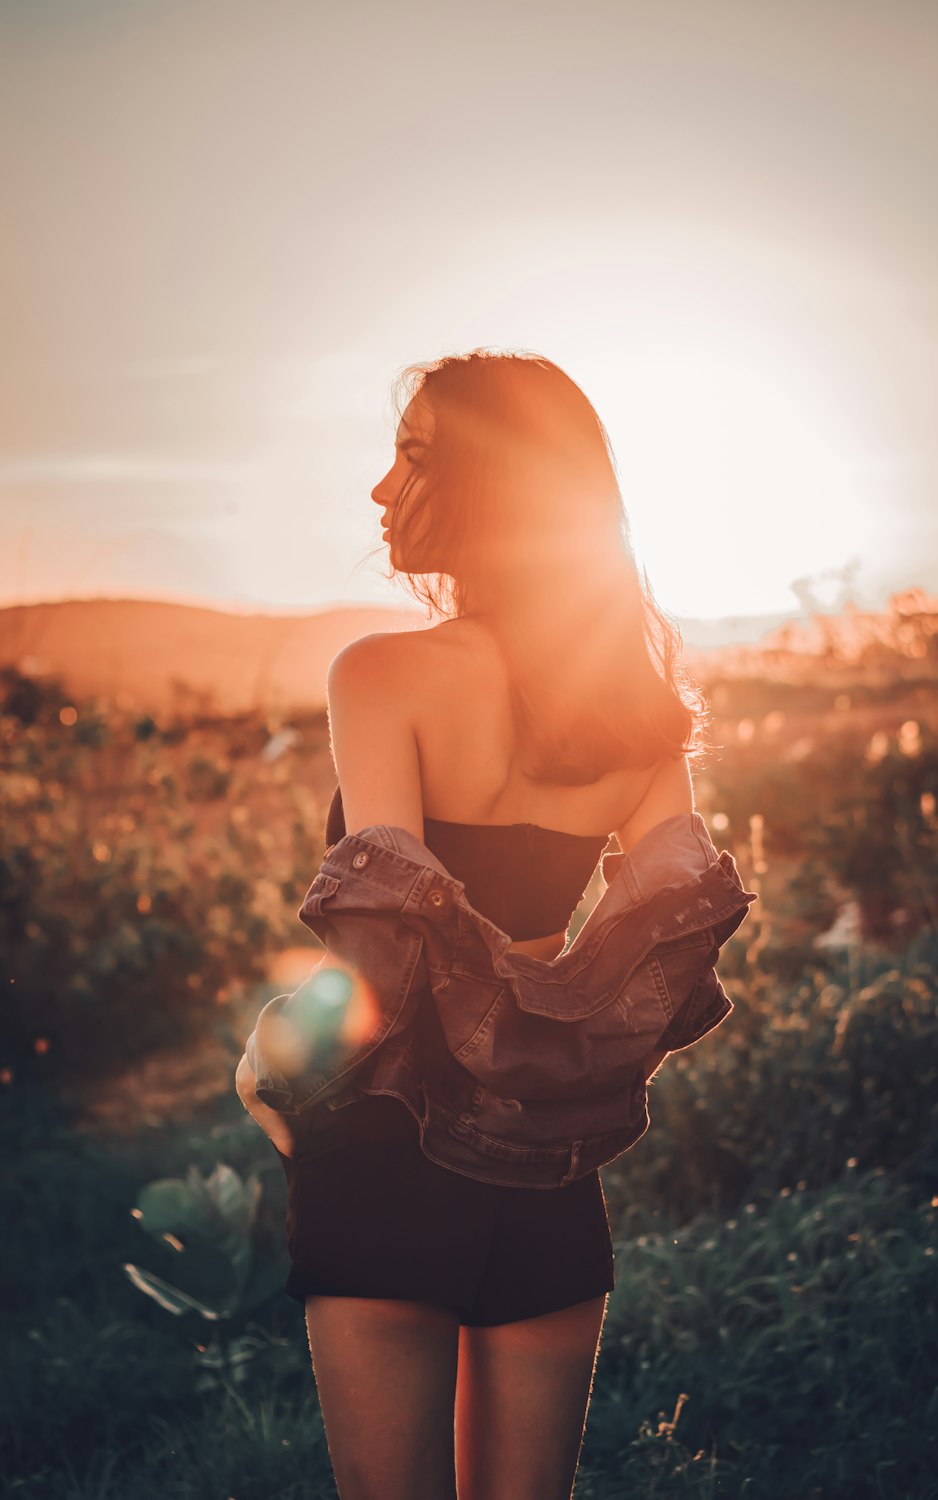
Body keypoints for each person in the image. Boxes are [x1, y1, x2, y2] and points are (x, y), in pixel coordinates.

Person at [236, 348, 709, 1500]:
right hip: (546, 1161)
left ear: (493, 488)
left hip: (387, 1148)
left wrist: (269, 1058)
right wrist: (554, 1022)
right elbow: (679, 935)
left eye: (411, 458)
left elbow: (387, 944)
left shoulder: (380, 674)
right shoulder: (638, 723)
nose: (380, 491)